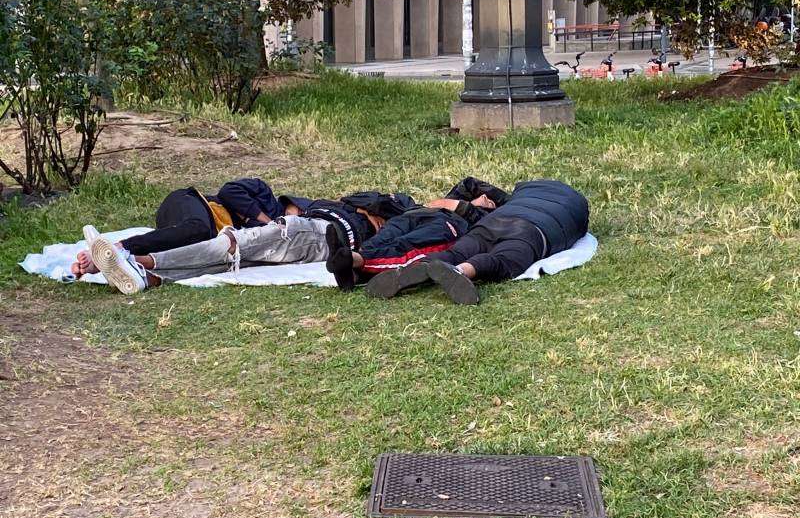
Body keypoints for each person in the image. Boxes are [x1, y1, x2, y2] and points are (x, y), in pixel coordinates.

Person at [87, 190, 417, 294]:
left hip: (308, 235)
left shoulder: (360, 225)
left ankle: (139, 263)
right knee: (229, 258)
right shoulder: (342, 209)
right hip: (304, 235)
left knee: (229, 248)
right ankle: (147, 276)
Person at [364, 179, 589, 305]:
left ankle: (420, 267)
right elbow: (577, 229)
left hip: (495, 220)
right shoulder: (577, 205)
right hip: (533, 231)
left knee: (460, 250)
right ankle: (462, 271)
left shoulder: (523, 195)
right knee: (500, 260)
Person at [71, 178, 285, 277]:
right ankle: (116, 247)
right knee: (197, 229)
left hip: (196, 230)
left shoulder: (274, 237)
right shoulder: (265, 196)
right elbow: (230, 191)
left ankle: (110, 263)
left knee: (196, 247)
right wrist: (266, 221)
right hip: (188, 202)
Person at [325, 186, 501, 291]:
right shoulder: (450, 197)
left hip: (447, 225)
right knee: (385, 236)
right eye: (484, 196)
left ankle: (353, 261)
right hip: (414, 214)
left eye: (491, 202)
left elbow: (491, 221)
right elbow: (469, 183)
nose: (486, 198)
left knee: (407, 246)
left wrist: (462, 206)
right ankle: (349, 265)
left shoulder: (484, 217)